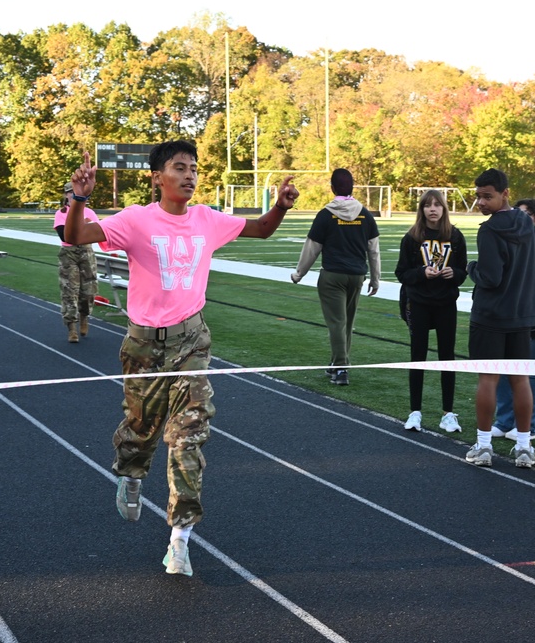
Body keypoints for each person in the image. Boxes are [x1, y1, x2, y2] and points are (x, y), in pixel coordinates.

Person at [63, 140, 299, 576]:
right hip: (143, 345)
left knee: (189, 435)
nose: (189, 175)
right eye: (179, 168)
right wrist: (79, 199)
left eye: (193, 168)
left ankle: (180, 539)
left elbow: (262, 229)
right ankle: (131, 473)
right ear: (157, 176)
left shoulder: (207, 219)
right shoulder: (136, 220)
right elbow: (76, 236)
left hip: (192, 341)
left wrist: (281, 206)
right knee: (141, 428)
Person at [464, 168, 535, 469]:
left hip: (491, 316)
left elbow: (490, 276)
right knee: (520, 379)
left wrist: (471, 267)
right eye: (478, 197)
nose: (482, 203)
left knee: (488, 378)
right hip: (523, 316)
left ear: (504, 194)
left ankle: (484, 446)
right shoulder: (527, 223)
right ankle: (524, 447)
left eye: (488, 196)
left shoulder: (488, 230)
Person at [291, 168, 381, 386]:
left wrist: (299, 273)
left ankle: (341, 368)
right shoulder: (365, 215)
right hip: (356, 276)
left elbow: (312, 248)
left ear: (332, 188)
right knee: (347, 323)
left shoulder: (326, 215)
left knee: (336, 323)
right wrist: (375, 278)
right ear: (353, 188)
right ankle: (335, 364)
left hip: (332, 276)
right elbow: (374, 250)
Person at [395, 190, 468, 433]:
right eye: (428, 205)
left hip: (446, 303)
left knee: (447, 357)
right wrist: (421, 273)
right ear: (422, 209)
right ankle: (415, 411)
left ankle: (448, 413)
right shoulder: (412, 237)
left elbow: (462, 272)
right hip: (419, 303)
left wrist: (453, 274)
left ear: (444, 208)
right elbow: (401, 273)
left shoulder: (455, 236)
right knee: (418, 356)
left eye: (437, 205)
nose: (433, 209)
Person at [490, 199, 535, 440]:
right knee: (507, 368)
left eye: (528, 214)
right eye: (518, 212)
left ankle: (530, 425)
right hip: (511, 314)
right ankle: (505, 420)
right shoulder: (509, 238)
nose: (522, 217)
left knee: (533, 369)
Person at [53, 182, 100, 343]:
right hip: (69, 253)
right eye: (70, 193)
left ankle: (84, 317)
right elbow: (64, 236)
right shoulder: (62, 213)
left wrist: (78, 229)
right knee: (69, 291)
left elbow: (96, 233)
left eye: (76, 193)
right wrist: (83, 227)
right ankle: (71, 328)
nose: (73, 196)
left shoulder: (89, 212)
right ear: (66, 195)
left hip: (86, 252)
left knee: (89, 291)